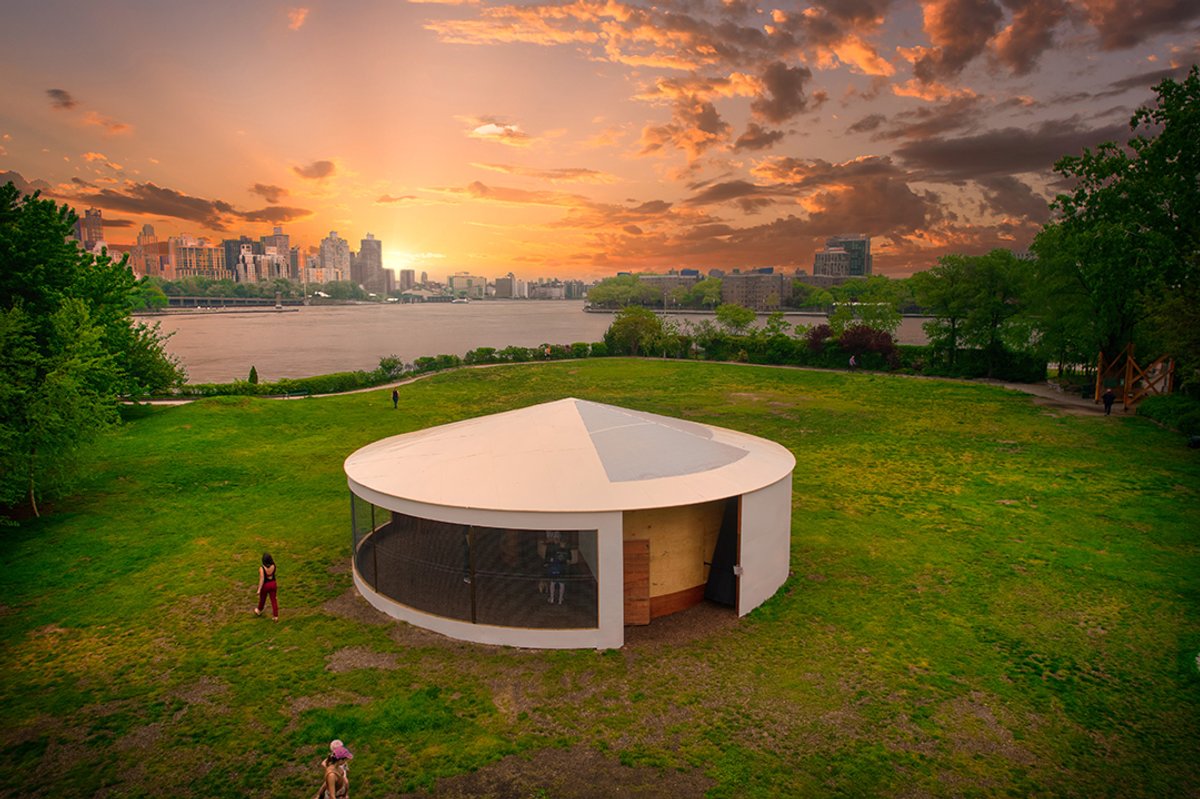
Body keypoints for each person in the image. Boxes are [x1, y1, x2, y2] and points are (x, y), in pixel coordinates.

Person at [254, 552, 278, 621]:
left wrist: (259, 589)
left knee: (262, 599)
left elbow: (262, 579)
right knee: (274, 600)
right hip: (273, 584)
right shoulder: (273, 565)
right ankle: (275, 616)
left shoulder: (262, 568)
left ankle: (259, 610)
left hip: (265, 586)